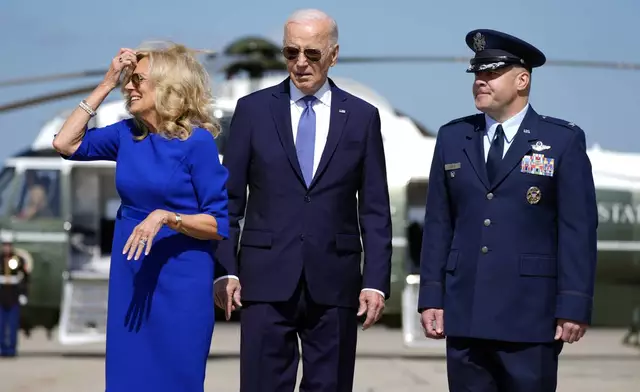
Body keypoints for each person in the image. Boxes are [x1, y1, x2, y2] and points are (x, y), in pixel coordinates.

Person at [214, 8, 392, 391]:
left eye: (312, 54)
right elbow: (227, 201)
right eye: (291, 52)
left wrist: (375, 281)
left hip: (336, 284)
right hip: (263, 282)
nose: (300, 63)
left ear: (334, 54)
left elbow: (375, 210)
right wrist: (226, 268)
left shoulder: (362, 118)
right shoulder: (252, 111)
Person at [418, 29, 598, 391]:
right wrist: (431, 297)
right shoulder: (453, 138)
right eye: (477, 74)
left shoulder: (561, 141)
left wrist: (574, 304)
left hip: (531, 316)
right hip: (465, 312)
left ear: (522, 79)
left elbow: (578, 229)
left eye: (491, 73)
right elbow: (438, 224)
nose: (480, 81)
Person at [52, 42, 229, 391]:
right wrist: (106, 82)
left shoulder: (197, 143)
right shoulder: (125, 134)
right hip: (133, 276)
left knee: (176, 378)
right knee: (128, 378)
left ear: (166, 86)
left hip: (182, 281)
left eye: (138, 80)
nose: (129, 86)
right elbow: (65, 144)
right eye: (127, 80)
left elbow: (216, 223)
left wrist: (168, 217)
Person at [0, 232, 30, 358]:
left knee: (12, 325)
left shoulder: (17, 260)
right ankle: (2, 349)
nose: (7, 247)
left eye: (9, 245)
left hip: (13, 296)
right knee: (1, 325)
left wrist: (23, 293)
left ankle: (11, 350)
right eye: (4, 245)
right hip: (1, 296)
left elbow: (25, 277)